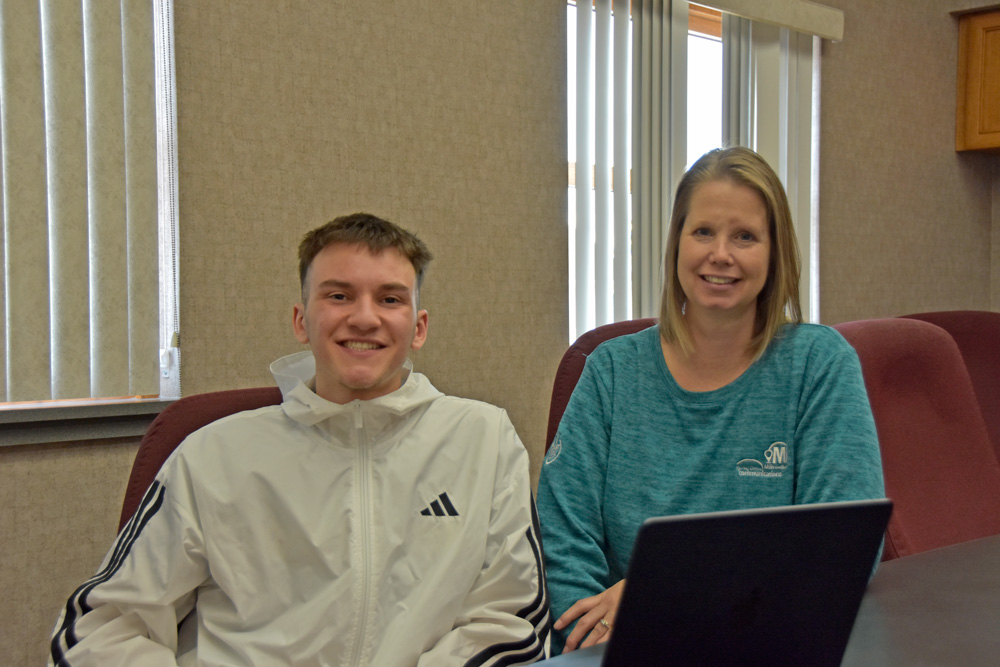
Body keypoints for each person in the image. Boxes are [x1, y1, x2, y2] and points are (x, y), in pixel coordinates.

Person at [50, 213, 550, 666]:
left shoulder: (484, 440)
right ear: (301, 321)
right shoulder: (212, 455)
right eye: (338, 296)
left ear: (418, 327)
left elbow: (511, 619)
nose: (364, 317)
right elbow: (102, 628)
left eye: (390, 299)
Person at [536, 147, 885, 654]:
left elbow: (840, 548)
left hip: (771, 648)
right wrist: (595, 644)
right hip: (620, 650)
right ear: (676, 242)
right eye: (702, 231)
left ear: (775, 252)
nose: (720, 254)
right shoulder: (611, 371)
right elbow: (561, 539)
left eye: (745, 236)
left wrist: (658, 598)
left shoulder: (819, 365)